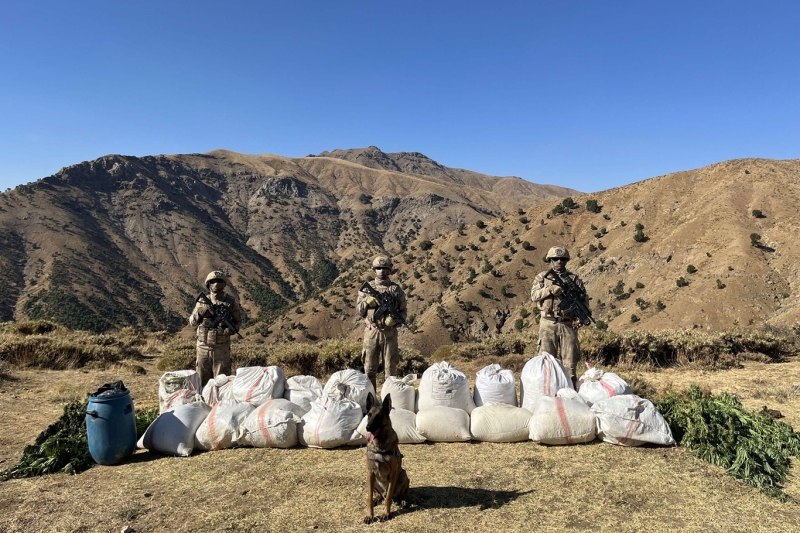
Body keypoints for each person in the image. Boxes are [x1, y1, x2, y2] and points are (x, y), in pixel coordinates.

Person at [530, 246, 589, 388]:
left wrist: (581, 317)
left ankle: (570, 393)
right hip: (548, 323)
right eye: (555, 259)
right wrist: (549, 290)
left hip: (568, 324)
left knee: (570, 364)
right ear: (550, 260)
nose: (559, 262)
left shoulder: (574, 280)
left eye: (562, 259)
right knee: (545, 362)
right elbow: (534, 296)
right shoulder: (542, 278)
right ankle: (546, 392)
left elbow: (584, 301)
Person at [357, 255, 407, 391]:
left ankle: (388, 398)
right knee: (369, 370)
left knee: (390, 371)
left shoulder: (396, 290)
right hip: (371, 331)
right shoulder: (367, 289)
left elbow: (403, 312)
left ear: (390, 270)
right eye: (378, 268)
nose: (381, 271)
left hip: (389, 333)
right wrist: (366, 301)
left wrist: (394, 320)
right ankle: (371, 399)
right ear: (374, 270)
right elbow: (359, 311)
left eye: (384, 268)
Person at [188, 270, 243, 387]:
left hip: (221, 347)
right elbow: (192, 323)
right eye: (213, 281)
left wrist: (232, 329)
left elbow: (238, 320)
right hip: (203, 346)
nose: (216, 284)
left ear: (224, 284)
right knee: (202, 380)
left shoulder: (230, 302)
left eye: (219, 281)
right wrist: (200, 313)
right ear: (208, 284)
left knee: (222, 381)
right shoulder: (202, 302)